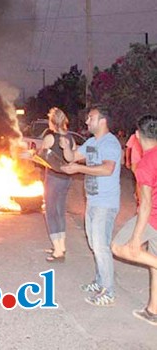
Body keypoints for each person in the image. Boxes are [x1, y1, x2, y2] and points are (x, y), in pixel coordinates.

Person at [60, 105, 121, 307]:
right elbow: (72, 157)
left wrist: (78, 168)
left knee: (101, 246)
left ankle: (109, 291)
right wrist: (66, 147)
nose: (87, 122)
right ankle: (100, 282)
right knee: (95, 244)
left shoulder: (110, 143)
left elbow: (107, 169)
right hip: (93, 200)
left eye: (91, 118)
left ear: (102, 121)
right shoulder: (91, 142)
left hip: (105, 203)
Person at [112, 115, 157, 326]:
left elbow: (146, 204)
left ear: (137, 135)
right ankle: (153, 311)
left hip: (153, 218)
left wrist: (136, 238)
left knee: (119, 246)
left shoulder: (146, 162)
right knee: (153, 265)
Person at [39, 107, 76, 262]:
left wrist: (32, 156)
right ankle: (61, 246)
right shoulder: (71, 138)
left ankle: (58, 252)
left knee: (51, 212)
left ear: (52, 122)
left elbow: (41, 155)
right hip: (66, 179)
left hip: (54, 178)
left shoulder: (50, 137)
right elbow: (72, 158)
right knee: (60, 211)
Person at [125, 131, 143, 204]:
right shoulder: (134, 137)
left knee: (141, 182)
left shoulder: (147, 136)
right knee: (139, 181)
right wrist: (127, 161)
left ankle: (139, 197)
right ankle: (139, 200)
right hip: (135, 162)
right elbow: (128, 149)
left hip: (145, 161)